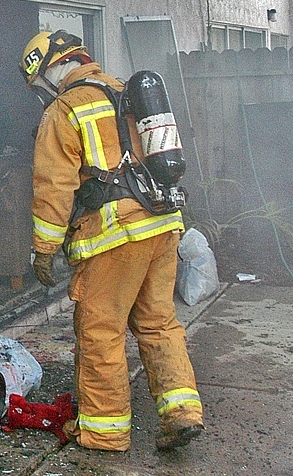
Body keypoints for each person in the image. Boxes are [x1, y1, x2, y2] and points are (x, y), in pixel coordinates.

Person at [19, 30, 204, 452]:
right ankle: (183, 413)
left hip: (114, 236)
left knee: (101, 333)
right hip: (162, 226)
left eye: (39, 85)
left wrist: (44, 250)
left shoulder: (64, 109)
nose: (42, 93)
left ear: (51, 70)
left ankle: (104, 434)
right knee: (159, 324)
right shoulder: (126, 91)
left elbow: (53, 188)